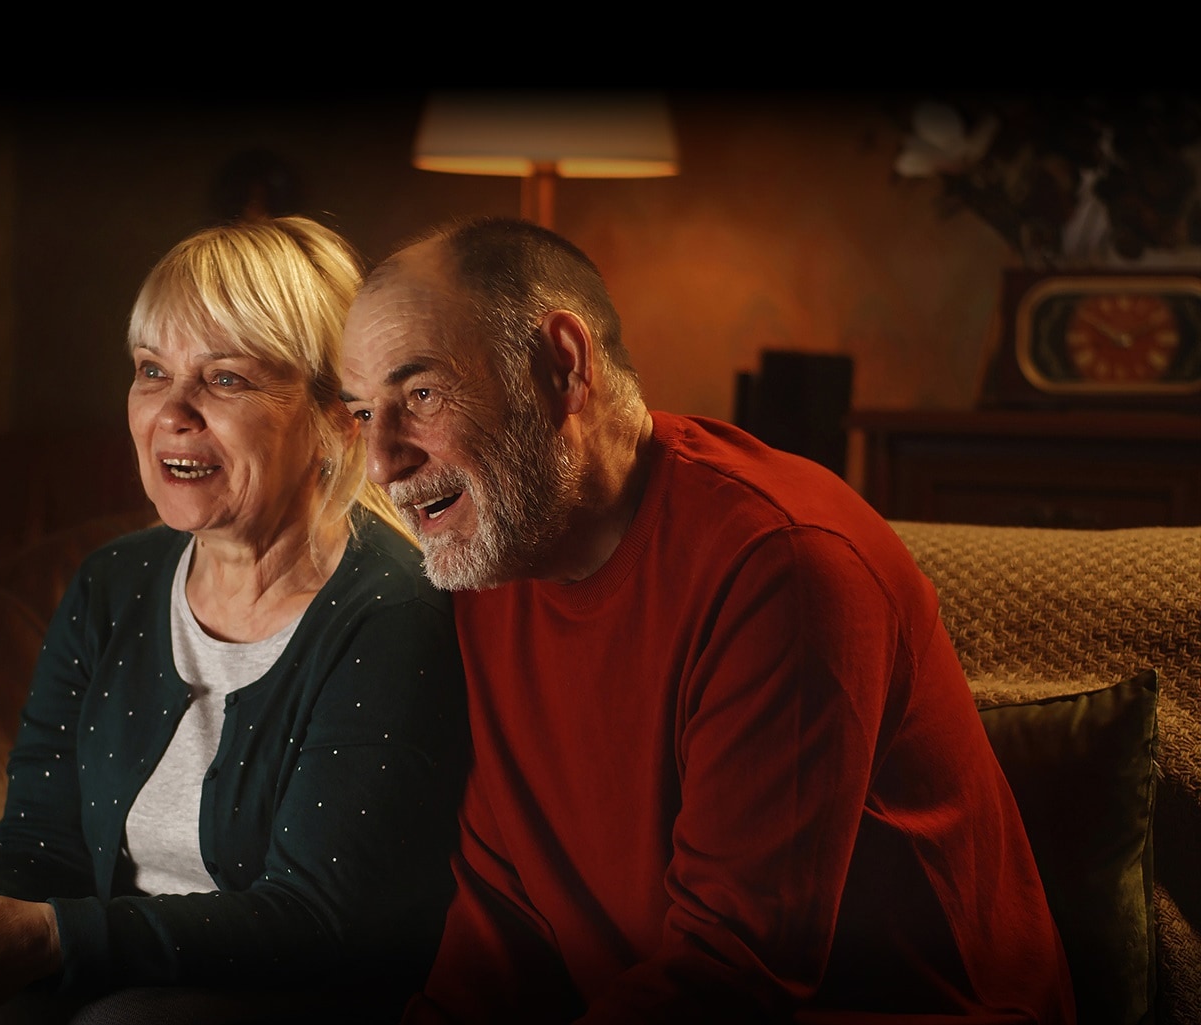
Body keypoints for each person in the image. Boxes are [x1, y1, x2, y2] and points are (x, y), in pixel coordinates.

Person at [337, 215, 1076, 1024]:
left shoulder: (782, 560)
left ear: (563, 365)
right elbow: (499, 931)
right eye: (366, 413)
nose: (383, 462)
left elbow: (735, 973)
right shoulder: (493, 554)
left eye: (422, 394)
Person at [0, 215, 470, 1025]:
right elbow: (41, 843)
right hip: (104, 963)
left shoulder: (392, 612)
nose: (172, 411)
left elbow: (318, 917)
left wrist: (55, 938)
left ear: (334, 415)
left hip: (288, 991)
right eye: (150, 370)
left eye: (225, 379)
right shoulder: (111, 583)